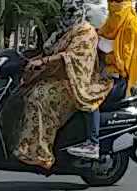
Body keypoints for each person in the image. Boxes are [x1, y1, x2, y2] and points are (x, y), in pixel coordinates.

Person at [12, 0, 114, 169]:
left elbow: (72, 57)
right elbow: (52, 49)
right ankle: (27, 144)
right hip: (62, 79)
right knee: (27, 91)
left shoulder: (85, 32)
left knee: (40, 98)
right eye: (66, 12)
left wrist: (45, 61)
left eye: (72, 12)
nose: (68, 16)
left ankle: (40, 152)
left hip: (78, 83)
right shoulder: (67, 30)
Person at [85, 0, 137, 148]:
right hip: (103, 72)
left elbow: (123, 60)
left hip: (118, 78)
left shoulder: (130, 23)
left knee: (87, 96)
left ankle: (92, 142)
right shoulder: (111, 16)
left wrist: (106, 56)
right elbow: (99, 35)